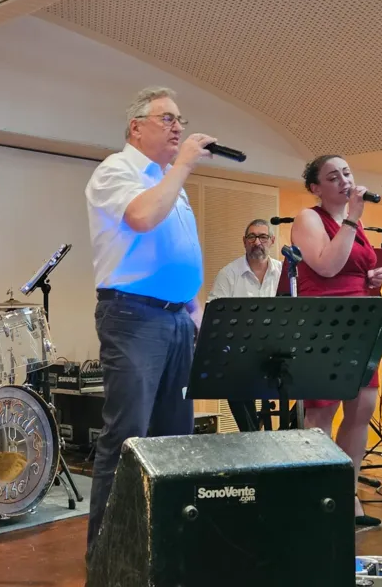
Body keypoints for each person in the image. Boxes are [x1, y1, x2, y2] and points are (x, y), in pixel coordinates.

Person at [84, 86, 215, 561]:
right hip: (133, 318)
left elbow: (176, 257)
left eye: (180, 119)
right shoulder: (115, 170)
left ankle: (165, 551)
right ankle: (108, 558)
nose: (177, 127)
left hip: (177, 320)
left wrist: (198, 317)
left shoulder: (169, 183)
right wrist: (183, 166)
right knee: (128, 438)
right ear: (135, 127)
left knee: (175, 439)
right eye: (167, 118)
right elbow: (140, 217)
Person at [289, 154, 382, 527]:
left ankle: (347, 493)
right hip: (324, 323)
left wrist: (372, 278)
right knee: (321, 414)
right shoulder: (308, 218)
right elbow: (327, 266)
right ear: (316, 188)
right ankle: (318, 496)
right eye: (333, 177)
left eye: (347, 173)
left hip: (360, 322)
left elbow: (354, 267)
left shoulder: (354, 223)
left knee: (362, 407)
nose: (344, 181)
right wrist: (352, 219)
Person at [207, 218, 282, 432]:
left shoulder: (284, 272)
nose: (257, 242)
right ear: (244, 241)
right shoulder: (228, 274)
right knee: (232, 374)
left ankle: (288, 434)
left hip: (277, 352)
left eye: (263, 237)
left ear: (272, 240)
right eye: (252, 237)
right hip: (241, 353)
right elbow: (215, 317)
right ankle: (251, 435)